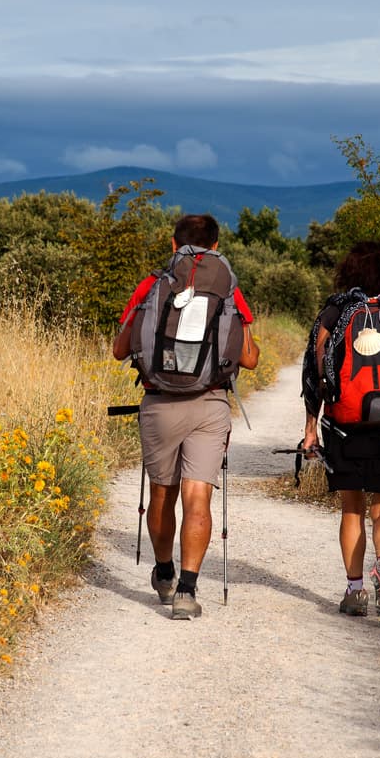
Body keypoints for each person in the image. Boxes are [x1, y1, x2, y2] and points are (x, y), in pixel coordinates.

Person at [112, 213, 260, 620]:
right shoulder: (228, 287)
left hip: (158, 403)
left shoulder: (151, 285)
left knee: (162, 494)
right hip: (209, 404)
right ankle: (187, 592)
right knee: (198, 498)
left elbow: (119, 350)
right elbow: (248, 358)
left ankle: (163, 573)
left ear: (173, 244)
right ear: (216, 247)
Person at [301, 241, 380, 619]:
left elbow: (314, 372)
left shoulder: (335, 311)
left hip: (344, 424)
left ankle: (355, 591)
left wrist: (310, 429)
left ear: (347, 272)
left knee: (351, 510)